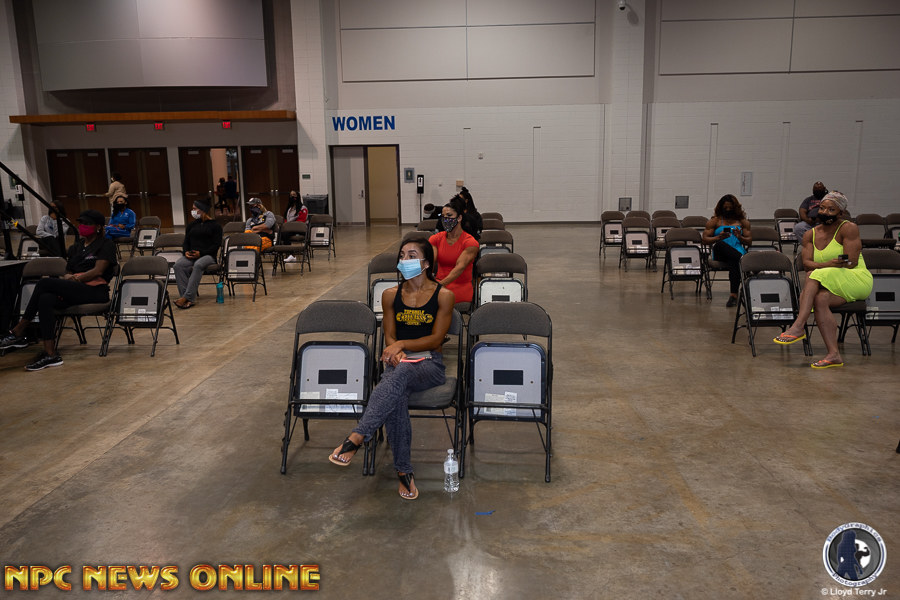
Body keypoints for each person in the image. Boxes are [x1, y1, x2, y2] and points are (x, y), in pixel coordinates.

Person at [329, 238, 455, 500]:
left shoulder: (444, 295)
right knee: (396, 395)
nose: (404, 260)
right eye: (402, 255)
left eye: (412, 255)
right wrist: (395, 349)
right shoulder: (390, 295)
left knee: (400, 375)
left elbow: (436, 339)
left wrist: (401, 345)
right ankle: (404, 471)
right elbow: (389, 335)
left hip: (430, 363)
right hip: (399, 362)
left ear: (427, 263)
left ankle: (358, 436)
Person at [0, 210, 116, 371]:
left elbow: (98, 271)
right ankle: (51, 355)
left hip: (95, 291)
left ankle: (18, 330)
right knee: (45, 299)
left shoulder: (106, 244)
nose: (83, 226)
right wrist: (69, 277)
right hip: (75, 289)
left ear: (98, 227)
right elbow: (68, 270)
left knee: (44, 283)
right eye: (81, 223)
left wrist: (76, 279)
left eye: (87, 223)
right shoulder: (77, 246)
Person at [774, 192, 872, 369]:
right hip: (830, 281)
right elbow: (806, 263)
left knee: (813, 275)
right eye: (822, 208)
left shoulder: (848, 228)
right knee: (820, 298)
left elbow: (852, 262)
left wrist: (823, 267)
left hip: (855, 278)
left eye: (831, 209)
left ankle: (799, 325)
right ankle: (834, 354)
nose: (825, 212)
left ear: (841, 213)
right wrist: (829, 264)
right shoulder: (809, 234)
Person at [702, 194, 752, 307]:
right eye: (726, 207)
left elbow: (749, 242)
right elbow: (704, 240)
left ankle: (733, 296)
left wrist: (740, 237)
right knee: (722, 245)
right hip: (720, 251)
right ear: (721, 207)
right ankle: (746, 264)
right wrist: (718, 237)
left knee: (735, 261)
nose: (728, 210)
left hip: (737, 251)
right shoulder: (715, 221)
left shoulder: (742, 222)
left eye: (730, 207)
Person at [173, 199, 223, 310]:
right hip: (191, 255)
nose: (193, 211)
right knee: (178, 266)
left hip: (208, 256)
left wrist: (201, 253)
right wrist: (186, 252)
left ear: (202, 210)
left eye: (195, 209)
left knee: (198, 265)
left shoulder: (215, 226)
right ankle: (186, 299)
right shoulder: (191, 225)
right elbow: (186, 242)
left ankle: (187, 298)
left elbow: (216, 245)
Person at [429, 199, 480, 305]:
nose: (445, 219)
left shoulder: (470, 242)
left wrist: (439, 285)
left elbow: (459, 268)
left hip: (459, 287)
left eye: (449, 215)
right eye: (443, 216)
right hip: (438, 284)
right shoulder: (436, 238)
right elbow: (429, 261)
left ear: (459, 218)